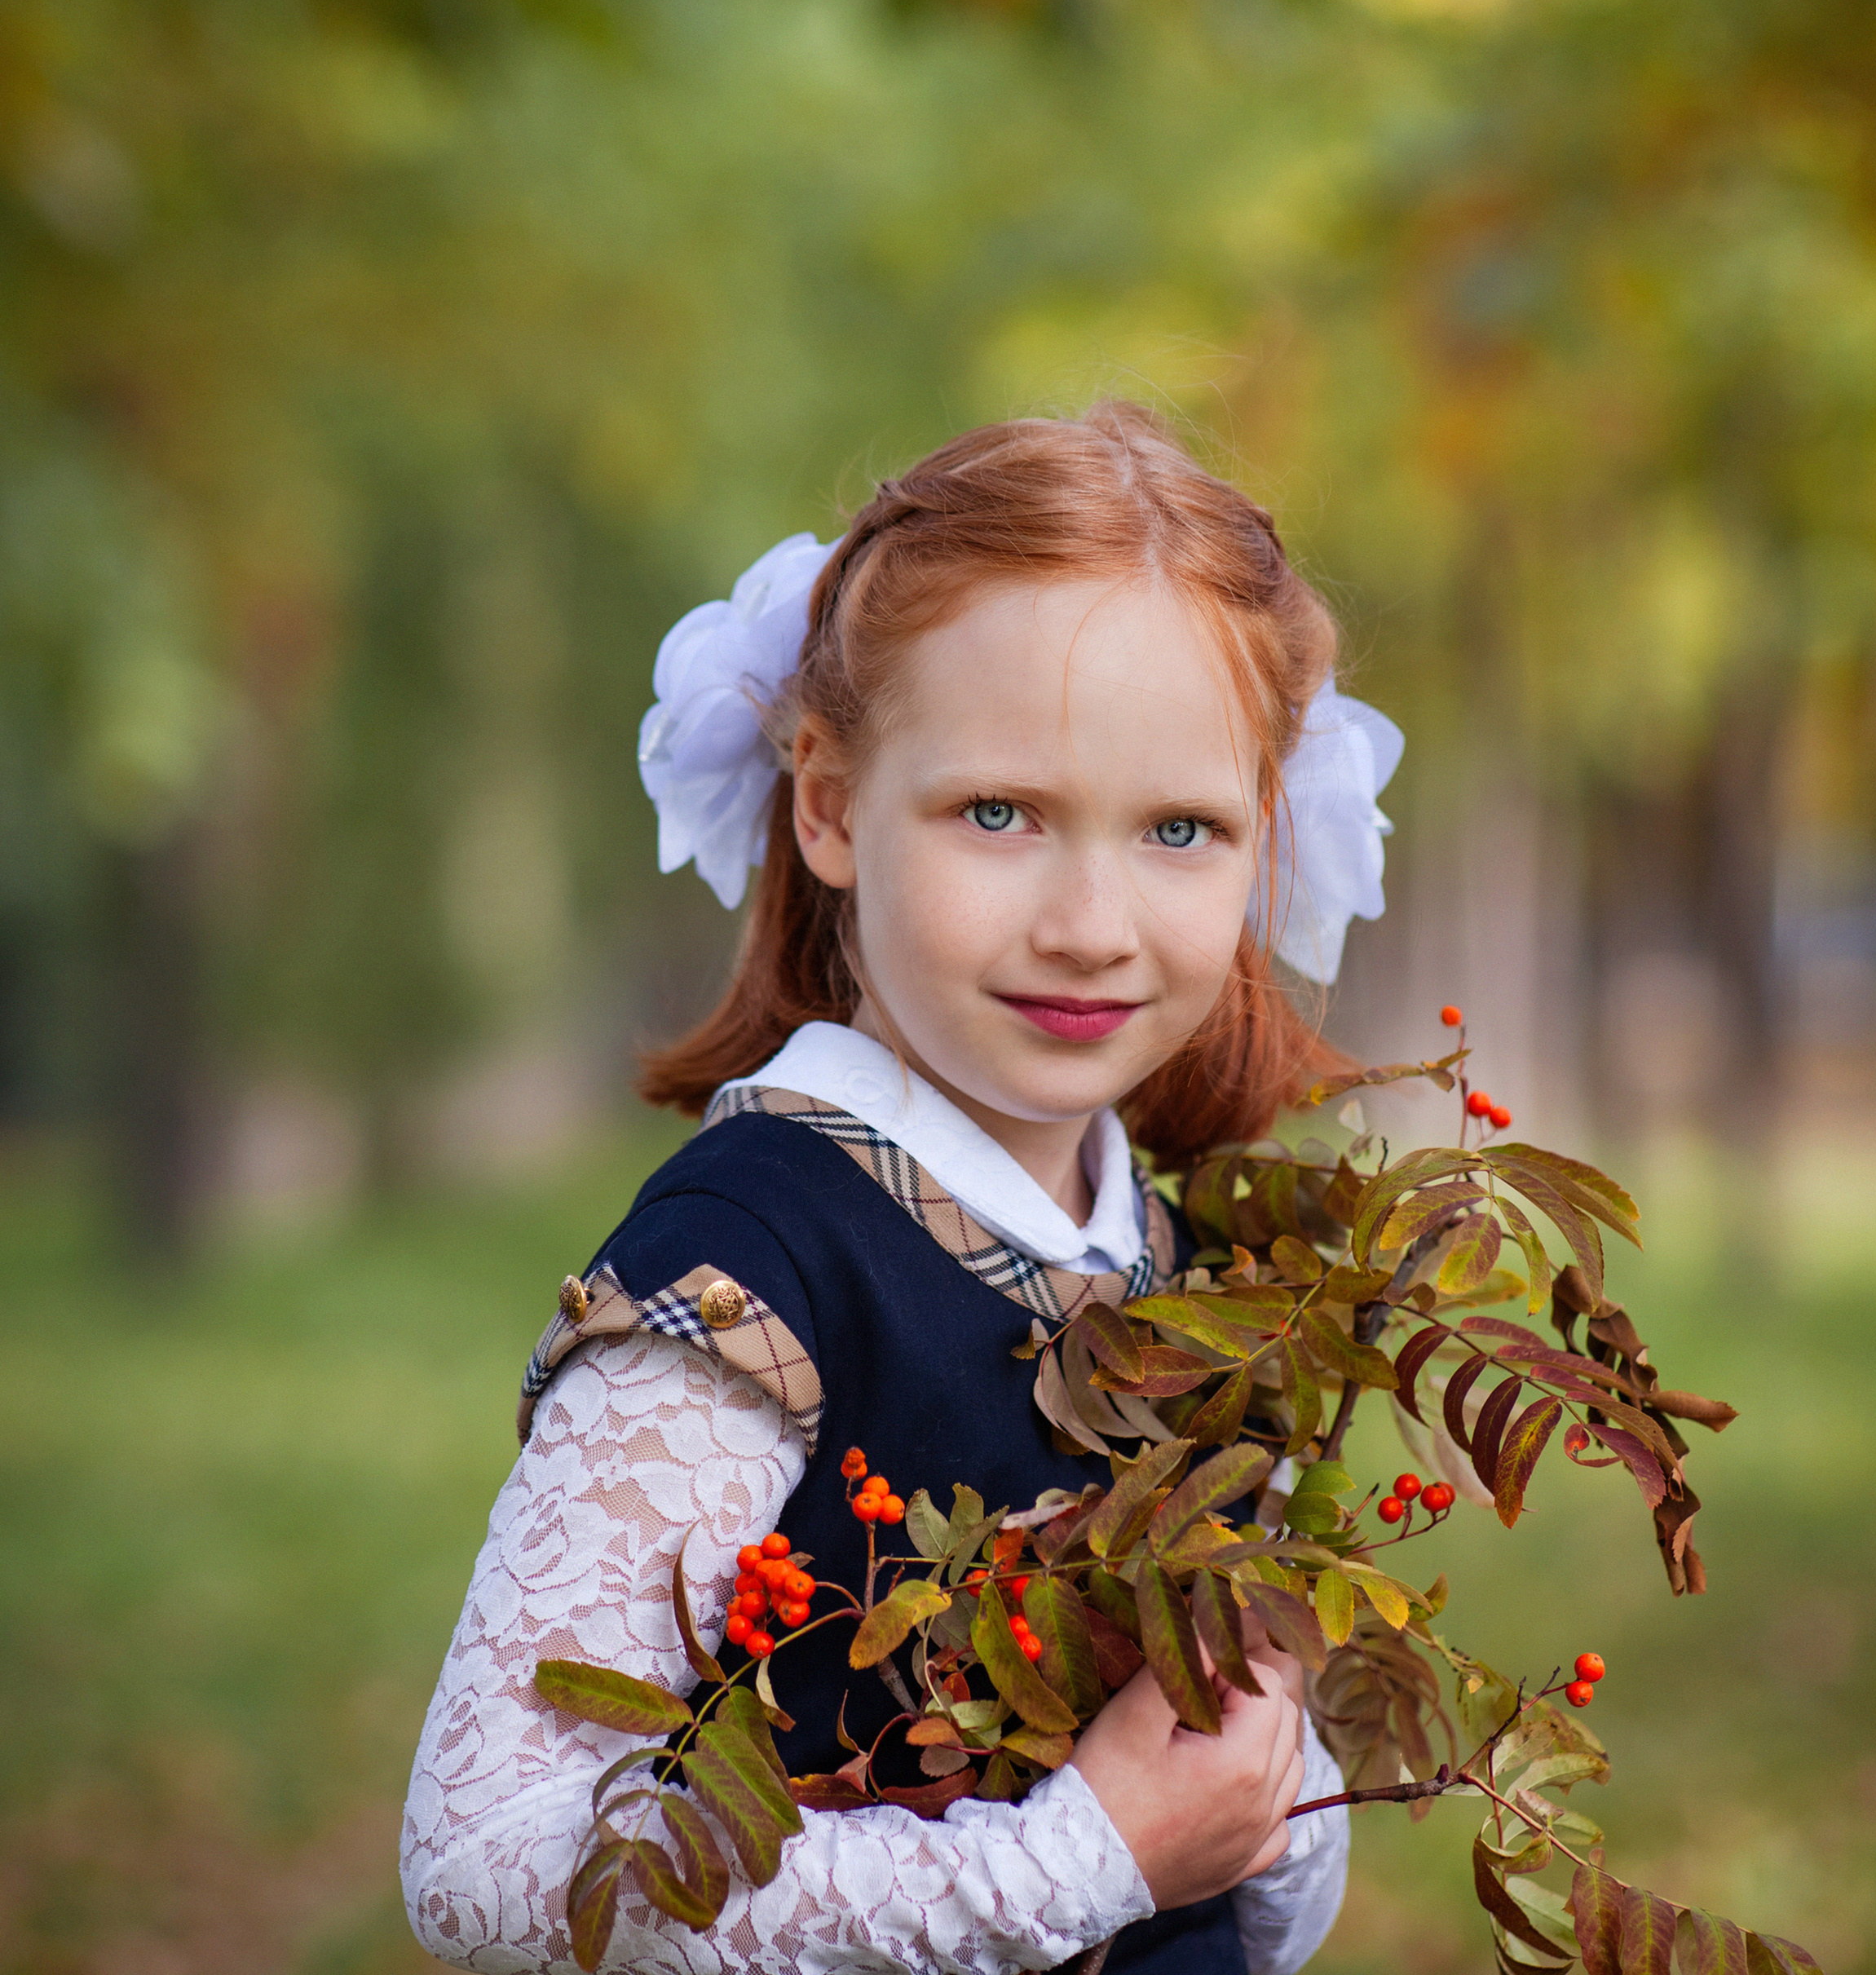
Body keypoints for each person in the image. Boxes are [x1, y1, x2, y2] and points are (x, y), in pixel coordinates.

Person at [400, 403, 1405, 1974]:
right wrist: (1071, 1864)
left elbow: (1238, 1857)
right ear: (827, 803)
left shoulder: (1205, 1263)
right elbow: (489, 1864)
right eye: (998, 813)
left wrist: (1263, 1789)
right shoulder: (750, 1264)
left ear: (1264, 839)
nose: (1092, 922)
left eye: (1181, 831)